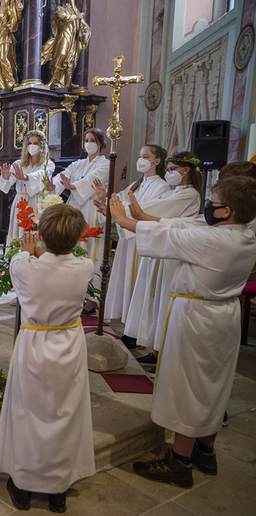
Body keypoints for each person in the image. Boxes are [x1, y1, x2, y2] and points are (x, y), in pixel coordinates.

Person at [109, 176, 256, 489]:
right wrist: (141, 217)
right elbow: (184, 227)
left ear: (226, 211)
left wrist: (121, 218)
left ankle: (180, 462)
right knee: (214, 386)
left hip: (197, 317)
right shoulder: (245, 236)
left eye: (212, 204)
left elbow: (171, 237)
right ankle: (205, 451)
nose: (207, 209)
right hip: (224, 315)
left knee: (187, 386)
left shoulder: (213, 241)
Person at [0, 204, 96, 513]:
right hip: (69, 343)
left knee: (28, 411)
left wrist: (32, 250)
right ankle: (57, 490)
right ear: (78, 239)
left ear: (39, 236)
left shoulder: (23, 266)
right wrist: (46, 250)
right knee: (64, 412)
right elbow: (62, 261)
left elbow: (24, 258)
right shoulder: (84, 267)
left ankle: (24, 486)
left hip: (35, 342)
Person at [115, 152, 202, 359]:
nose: (169, 173)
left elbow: (154, 212)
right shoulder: (173, 191)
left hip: (172, 253)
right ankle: (156, 348)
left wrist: (122, 213)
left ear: (185, 170)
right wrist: (122, 211)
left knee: (163, 299)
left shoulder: (190, 193)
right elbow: (151, 209)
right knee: (154, 299)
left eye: (172, 169)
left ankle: (161, 351)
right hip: (162, 249)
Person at [94, 144, 170, 333]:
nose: (141, 159)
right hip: (128, 240)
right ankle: (127, 322)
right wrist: (106, 200)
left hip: (141, 239)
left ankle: (135, 327)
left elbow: (146, 211)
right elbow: (120, 201)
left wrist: (117, 213)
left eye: (146, 156)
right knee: (125, 280)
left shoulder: (161, 186)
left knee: (136, 282)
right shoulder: (137, 185)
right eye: (140, 155)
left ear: (157, 161)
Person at [48, 128, 110, 315]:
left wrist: (73, 185)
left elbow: (93, 180)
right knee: (74, 248)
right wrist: (54, 184)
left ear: (100, 143)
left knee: (92, 251)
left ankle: (92, 298)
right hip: (76, 206)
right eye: (86, 139)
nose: (88, 142)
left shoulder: (105, 164)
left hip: (93, 208)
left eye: (92, 139)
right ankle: (74, 292)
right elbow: (64, 175)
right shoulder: (79, 163)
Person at [0, 130, 55, 246]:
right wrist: (5, 178)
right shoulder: (19, 164)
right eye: (29, 143)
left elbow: (41, 175)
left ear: (42, 146)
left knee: (34, 233)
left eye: (36, 143)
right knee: (18, 233)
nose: (32, 146)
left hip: (36, 203)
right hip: (20, 202)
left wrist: (25, 177)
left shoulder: (48, 164)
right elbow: (6, 186)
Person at [41, 0, 91, 89]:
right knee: (61, 56)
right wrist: (75, 17)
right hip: (63, 36)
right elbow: (59, 15)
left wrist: (86, 34)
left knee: (71, 60)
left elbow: (84, 26)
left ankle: (68, 82)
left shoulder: (75, 11)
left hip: (73, 39)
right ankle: (54, 80)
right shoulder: (60, 9)